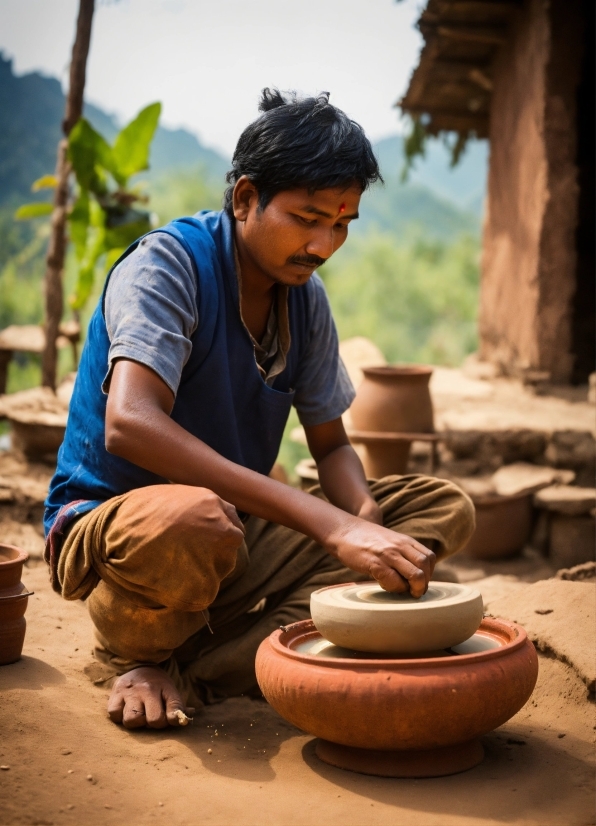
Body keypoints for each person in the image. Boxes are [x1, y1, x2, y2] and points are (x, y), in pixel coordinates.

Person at [44, 89, 475, 729]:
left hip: (235, 529)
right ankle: (140, 650)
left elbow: (329, 446)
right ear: (245, 198)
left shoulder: (304, 299)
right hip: (129, 536)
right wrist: (329, 528)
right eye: (307, 218)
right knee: (196, 521)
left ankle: (203, 667)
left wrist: (362, 514)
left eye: (342, 223)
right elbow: (131, 423)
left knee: (438, 508)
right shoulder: (168, 265)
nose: (324, 243)